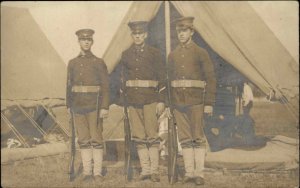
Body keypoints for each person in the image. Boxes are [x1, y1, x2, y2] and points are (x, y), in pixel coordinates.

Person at [168, 17, 216, 185]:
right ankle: (189, 173)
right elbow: (169, 82)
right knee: (185, 138)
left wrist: (208, 103)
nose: (181, 34)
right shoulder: (172, 55)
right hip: (178, 103)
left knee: (198, 137)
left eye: (185, 31)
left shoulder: (201, 53)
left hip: (196, 102)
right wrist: (170, 104)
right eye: (179, 31)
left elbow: (210, 79)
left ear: (192, 32)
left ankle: (199, 174)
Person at [119, 21, 166, 182]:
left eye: (140, 33)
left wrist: (161, 101)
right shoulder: (125, 55)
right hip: (133, 101)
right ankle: (145, 169)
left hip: (151, 100)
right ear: (132, 35)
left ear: (145, 35)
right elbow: (123, 81)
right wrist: (124, 102)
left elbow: (162, 79)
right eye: (135, 34)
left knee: (152, 135)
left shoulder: (155, 53)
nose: (137, 36)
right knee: (139, 136)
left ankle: (154, 170)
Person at [66, 29, 110, 182]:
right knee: (83, 139)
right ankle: (87, 172)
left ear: (92, 42)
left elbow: (105, 86)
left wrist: (104, 107)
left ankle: (97, 172)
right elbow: (68, 86)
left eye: (88, 40)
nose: (86, 42)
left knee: (96, 138)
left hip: (94, 106)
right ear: (78, 42)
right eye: (83, 40)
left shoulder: (98, 62)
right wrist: (68, 106)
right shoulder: (72, 63)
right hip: (78, 107)